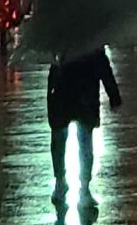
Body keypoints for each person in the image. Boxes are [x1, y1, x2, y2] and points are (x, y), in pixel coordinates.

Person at [47, 45, 120, 212]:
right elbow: (102, 64)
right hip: (77, 91)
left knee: (68, 141)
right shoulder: (89, 33)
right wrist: (113, 94)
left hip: (71, 91)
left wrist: (113, 93)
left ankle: (71, 183)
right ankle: (75, 185)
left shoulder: (62, 32)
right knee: (79, 142)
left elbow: (102, 63)